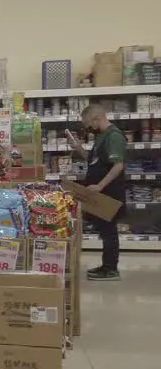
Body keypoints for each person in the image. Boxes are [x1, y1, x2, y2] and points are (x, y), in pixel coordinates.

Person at [69, 103, 127, 281]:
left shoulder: (114, 136)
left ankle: (111, 270)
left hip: (110, 193)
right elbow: (94, 160)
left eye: (89, 123)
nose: (88, 128)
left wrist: (100, 185)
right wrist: (78, 148)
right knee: (104, 230)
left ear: (97, 118)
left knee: (109, 231)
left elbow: (118, 165)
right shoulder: (101, 136)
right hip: (101, 193)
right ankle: (106, 265)